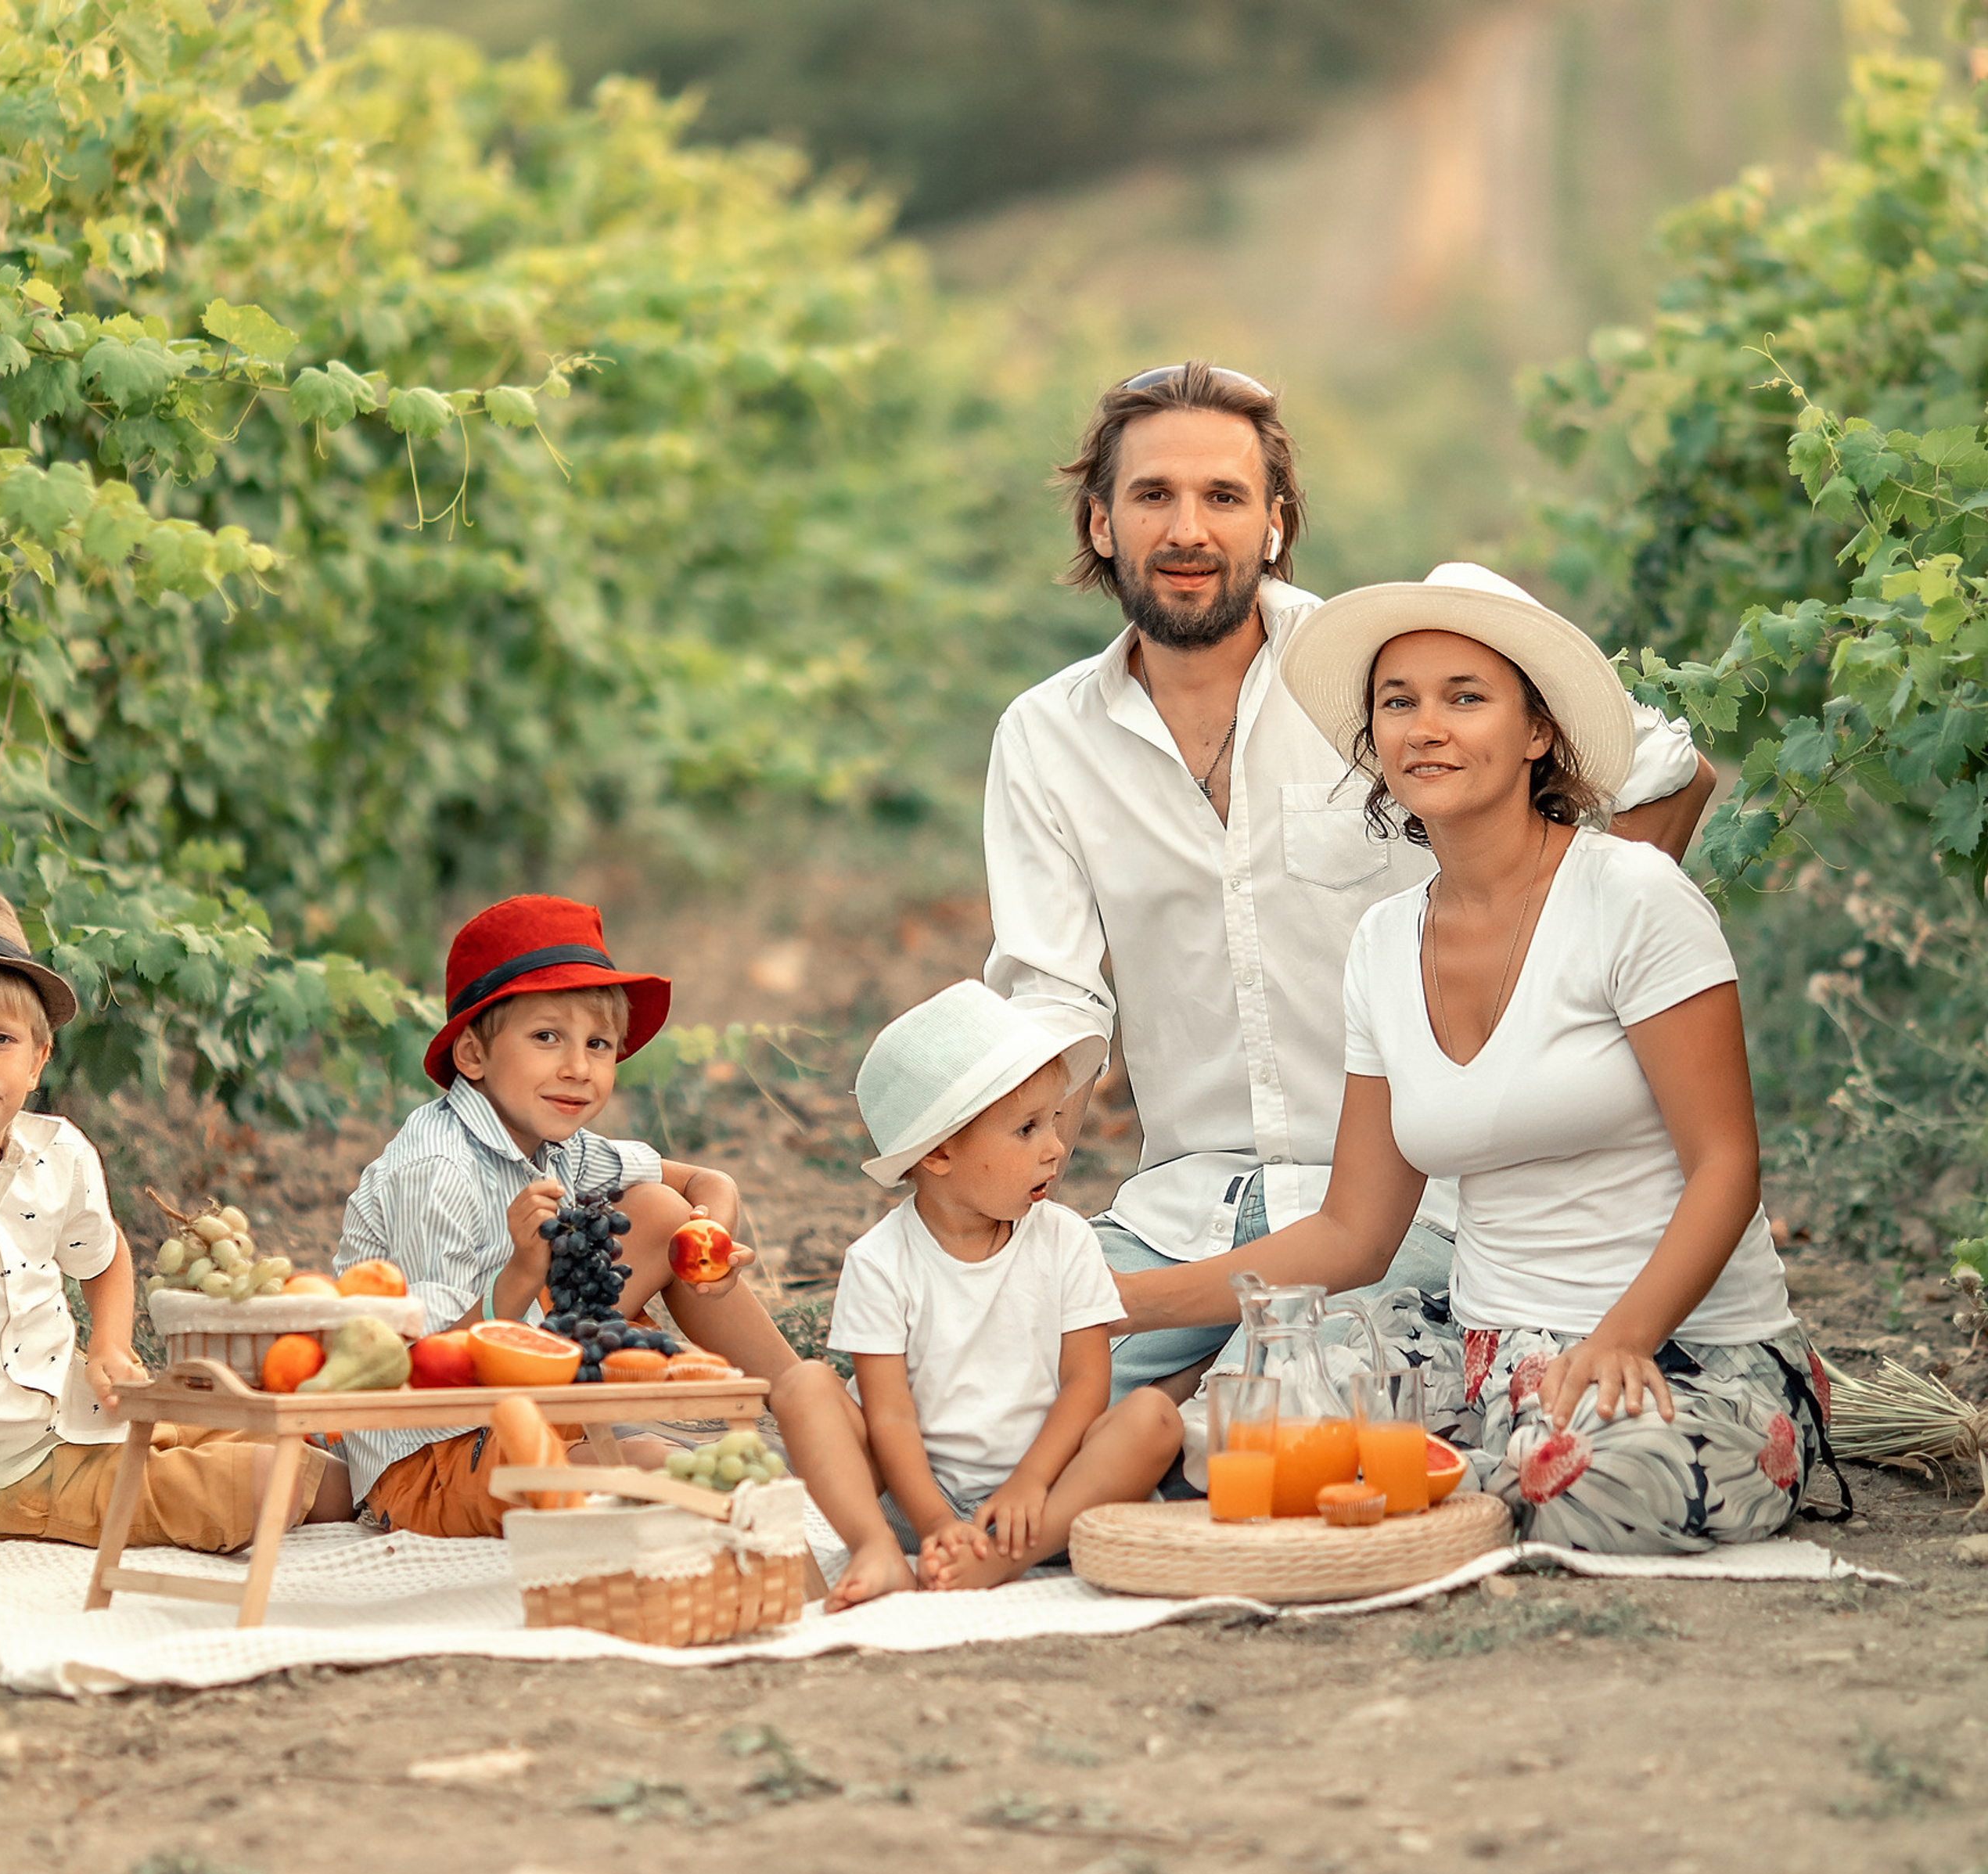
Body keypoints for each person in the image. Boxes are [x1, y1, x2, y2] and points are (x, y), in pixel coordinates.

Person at [983, 361, 1719, 1410]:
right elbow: (1051, 1000)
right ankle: (1161, 1387)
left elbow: (1663, 771)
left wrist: (1553, 986)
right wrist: (986, 1188)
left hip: (1410, 1209)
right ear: (1101, 524)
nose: (1188, 530)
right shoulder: (1046, 738)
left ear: (1275, 525)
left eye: (1224, 497)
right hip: (1183, 1206)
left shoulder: (1378, 678)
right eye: (1153, 496)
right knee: (962, 1406)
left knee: (1266, 1417)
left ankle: (1193, 1397)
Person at [1109, 566, 1844, 1550]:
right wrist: (1110, 1305)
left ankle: (1465, 1490)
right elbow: (1352, 1235)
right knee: (1240, 1430)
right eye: (1398, 702)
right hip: (1489, 1346)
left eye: (1465, 697)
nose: (1427, 728)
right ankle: (1469, 1480)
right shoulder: (1381, 940)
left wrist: (1621, 1337)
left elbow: (1726, 1167)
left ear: (1536, 730)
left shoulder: (1632, 898)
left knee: (1595, 1482)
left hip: (1680, 1348)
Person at [336, 894, 796, 1537]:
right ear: (472, 1057)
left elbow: (705, 1181)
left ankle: (800, 1400)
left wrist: (710, 1235)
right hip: (434, 1451)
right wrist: (524, 1271)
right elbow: (431, 1365)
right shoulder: (435, 1169)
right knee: (654, 1467)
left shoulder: (557, 1143)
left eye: (599, 1043)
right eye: (547, 1037)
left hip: (524, 1390)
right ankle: (623, 1455)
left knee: (663, 1213)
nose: (578, 1069)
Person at [771, 981, 1181, 1604]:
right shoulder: (880, 1263)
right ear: (938, 1153)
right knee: (805, 1388)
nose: (1053, 1149)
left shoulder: (1065, 1240)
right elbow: (890, 1415)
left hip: (1043, 1494)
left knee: (1153, 1419)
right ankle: (877, 1549)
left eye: (1055, 1122)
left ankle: (1009, 1558)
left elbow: (1086, 1384)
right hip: (914, 1497)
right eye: (1025, 1130)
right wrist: (934, 1522)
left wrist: (1029, 1484)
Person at [0, 891, 354, 1548]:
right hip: (10, 1470)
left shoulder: (56, 1153)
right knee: (257, 1481)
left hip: (77, 1404)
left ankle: (388, 1479)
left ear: (39, 1060)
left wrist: (108, 1345)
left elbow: (105, 1256)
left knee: (271, 1431)